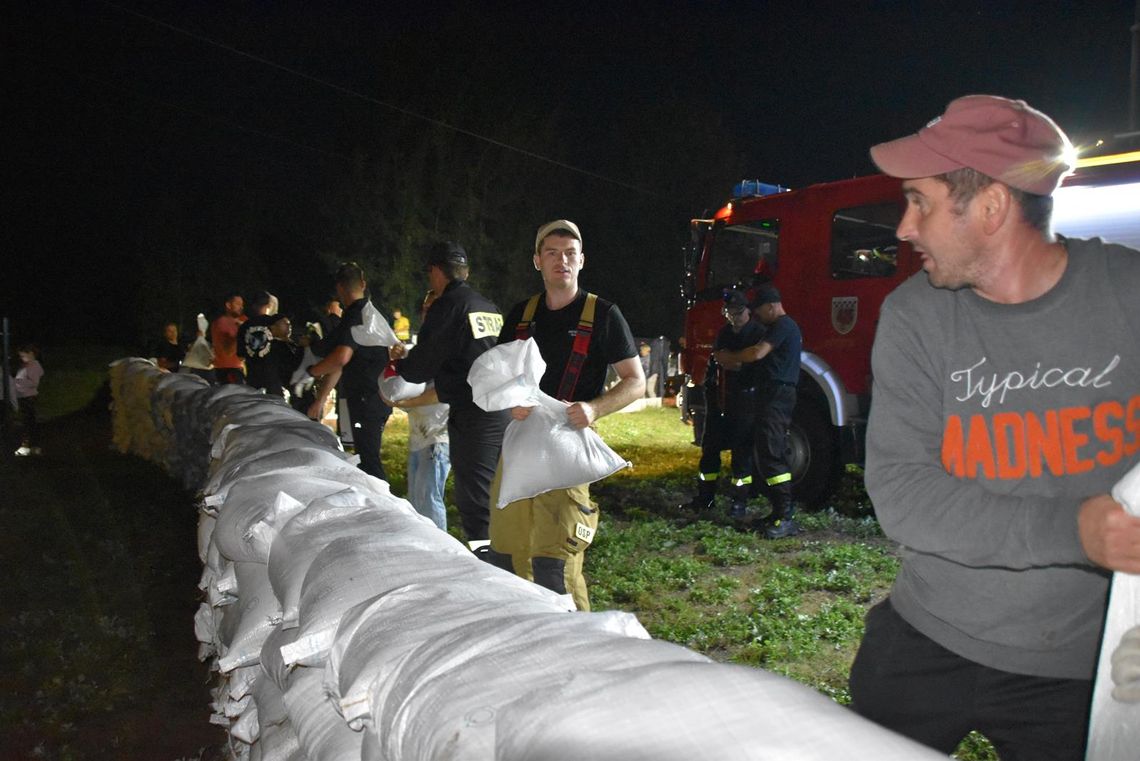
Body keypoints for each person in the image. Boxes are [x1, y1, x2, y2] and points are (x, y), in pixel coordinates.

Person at [847, 95, 1140, 760]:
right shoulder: (915, 316)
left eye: (919, 201)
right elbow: (902, 493)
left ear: (991, 207)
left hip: (1078, 665)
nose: (902, 227)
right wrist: (1075, 529)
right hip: (924, 640)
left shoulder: (1129, 297)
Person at [485, 219, 645, 611]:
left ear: (582, 260)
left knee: (554, 567)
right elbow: (498, 375)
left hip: (567, 449)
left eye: (570, 254)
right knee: (507, 560)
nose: (562, 261)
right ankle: (525, 647)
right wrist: (509, 401)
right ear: (537, 261)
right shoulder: (521, 315)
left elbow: (635, 381)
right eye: (553, 253)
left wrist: (594, 408)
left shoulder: (604, 314)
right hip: (520, 447)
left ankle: (582, 654)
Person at [389, 242, 510, 541]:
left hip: (474, 416)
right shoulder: (488, 306)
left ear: (435, 271)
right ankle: (502, 558)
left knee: (475, 504)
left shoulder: (449, 304)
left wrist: (398, 368)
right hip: (503, 413)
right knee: (497, 496)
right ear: (464, 271)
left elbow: (422, 366)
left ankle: (491, 571)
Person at [711, 283, 802, 538]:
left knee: (773, 453)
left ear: (772, 306)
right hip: (771, 395)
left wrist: (733, 357)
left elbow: (757, 352)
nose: (757, 315)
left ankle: (785, 517)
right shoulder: (777, 327)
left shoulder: (783, 326)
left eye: (759, 310)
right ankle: (778, 513)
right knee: (768, 450)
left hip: (777, 395)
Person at [681, 289, 766, 519]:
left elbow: (749, 364)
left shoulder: (757, 333)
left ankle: (739, 503)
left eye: (737, 313)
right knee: (710, 450)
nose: (734, 318)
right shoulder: (724, 333)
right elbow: (719, 360)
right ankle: (705, 498)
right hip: (719, 400)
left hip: (745, 402)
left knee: (742, 454)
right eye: (729, 313)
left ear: (748, 310)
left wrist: (734, 360)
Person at [306, 263, 392, 480]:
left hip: (367, 399)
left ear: (339, 289)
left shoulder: (356, 315)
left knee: (368, 461)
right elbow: (343, 364)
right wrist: (321, 399)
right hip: (373, 398)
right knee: (363, 457)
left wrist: (312, 371)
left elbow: (341, 357)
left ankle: (386, 507)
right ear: (363, 284)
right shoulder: (369, 313)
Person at [12, 344, 44, 456]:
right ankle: (33, 446)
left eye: (23, 356)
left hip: (29, 398)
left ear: (31, 354)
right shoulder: (25, 366)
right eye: (20, 356)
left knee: (28, 422)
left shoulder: (34, 366)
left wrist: (18, 383)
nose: (22, 358)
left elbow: (34, 383)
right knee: (28, 422)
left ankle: (27, 446)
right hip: (24, 397)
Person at [210, 292, 246, 384]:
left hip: (242, 368)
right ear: (228, 305)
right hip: (227, 370)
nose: (241, 307)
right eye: (237, 304)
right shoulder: (220, 323)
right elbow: (227, 351)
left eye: (242, 304)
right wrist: (240, 332)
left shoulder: (244, 320)